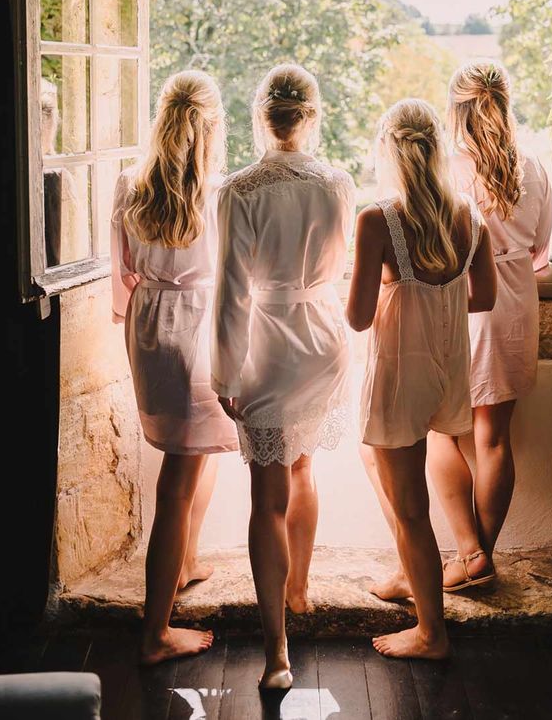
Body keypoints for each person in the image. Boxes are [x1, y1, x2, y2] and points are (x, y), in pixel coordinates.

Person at [212, 63, 355, 690]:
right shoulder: (338, 182)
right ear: (311, 116)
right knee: (302, 468)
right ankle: (297, 591)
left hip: (271, 341)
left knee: (266, 498)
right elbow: (341, 260)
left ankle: (277, 654)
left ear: (262, 118)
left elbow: (231, 293)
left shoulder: (240, 191)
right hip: (323, 339)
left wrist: (223, 372)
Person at [347, 98, 496, 660]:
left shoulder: (377, 219)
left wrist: (394, 289)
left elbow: (358, 317)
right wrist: (436, 294)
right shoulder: (468, 218)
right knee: (378, 466)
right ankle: (413, 570)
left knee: (410, 505)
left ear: (389, 151)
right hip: (446, 370)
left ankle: (432, 632)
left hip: (399, 375)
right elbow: (482, 297)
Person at [111, 70, 238, 665]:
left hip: (149, 325)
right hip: (198, 324)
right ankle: (154, 632)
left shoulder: (128, 185)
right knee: (176, 480)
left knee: (196, 449)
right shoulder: (218, 192)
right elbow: (235, 273)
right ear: (212, 125)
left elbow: (122, 281)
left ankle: (185, 560)